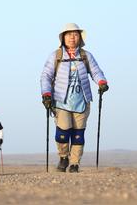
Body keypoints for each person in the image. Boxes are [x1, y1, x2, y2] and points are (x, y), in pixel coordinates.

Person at [40, 23, 108, 173]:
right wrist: (46, 94)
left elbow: (96, 72)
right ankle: (63, 156)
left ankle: (75, 163)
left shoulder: (86, 56)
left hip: (81, 100)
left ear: (80, 37)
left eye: (75, 34)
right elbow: (46, 76)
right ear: (63, 38)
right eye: (68, 34)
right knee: (63, 132)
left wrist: (102, 82)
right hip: (60, 100)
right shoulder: (56, 56)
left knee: (78, 134)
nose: (72, 37)